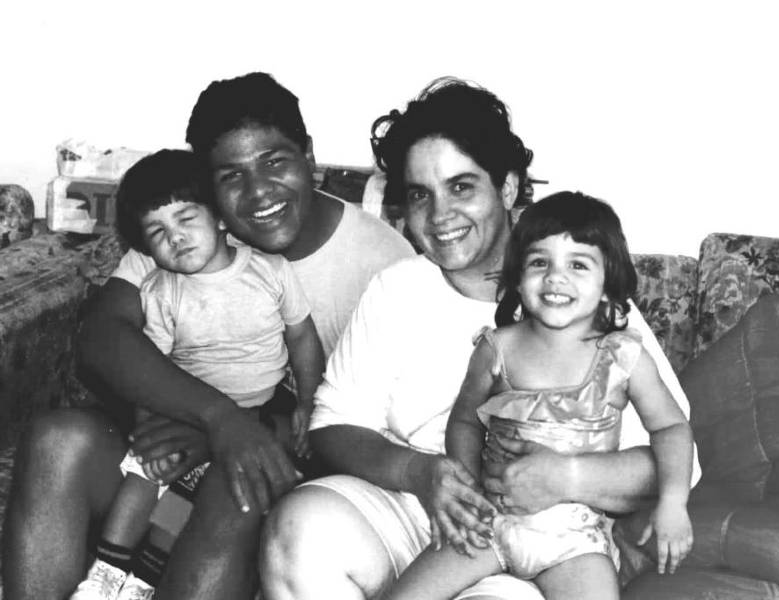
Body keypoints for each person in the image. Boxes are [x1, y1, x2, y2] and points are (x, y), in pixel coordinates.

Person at [260, 77, 700, 600]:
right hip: (413, 507)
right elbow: (333, 425)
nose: (440, 216)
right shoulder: (399, 287)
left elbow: (676, 460)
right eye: (421, 194)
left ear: (508, 187)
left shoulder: (583, 298)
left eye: (462, 187)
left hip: (542, 539)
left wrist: (566, 478)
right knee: (300, 530)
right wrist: (421, 472)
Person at [1, 72, 413, 600]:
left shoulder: (381, 264)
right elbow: (103, 341)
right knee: (57, 440)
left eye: (275, 162)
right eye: (231, 175)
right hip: (173, 444)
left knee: (244, 481)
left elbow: (383, 433)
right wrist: (214, 416)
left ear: (309, 157)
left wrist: (247, 429)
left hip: (289, 468)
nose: (258, 192)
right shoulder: (187, 236)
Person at [384, 192, 694, 600]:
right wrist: (470, 485)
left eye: (578, 265)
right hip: (491, 524)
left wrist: (674, 501)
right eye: (539, 262)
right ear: (516, 276)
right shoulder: (496, 349)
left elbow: (671, 427)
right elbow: (464, 421)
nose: (555, 277)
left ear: (608, 284)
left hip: (573, 543)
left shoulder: (623, 357)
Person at [69, 148, 325, 600]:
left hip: (263, 410)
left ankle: (145, 580)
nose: (176, 238)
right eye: (158, 233)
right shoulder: (161, 290)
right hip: (187, 411)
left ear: (221, 218)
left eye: (186, 219)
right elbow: (148, 366)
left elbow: (302, 339)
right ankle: (106, 575)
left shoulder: (271, 271)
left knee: (196, 499)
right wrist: (151, 431)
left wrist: (308, 403)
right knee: (146, 478)